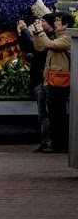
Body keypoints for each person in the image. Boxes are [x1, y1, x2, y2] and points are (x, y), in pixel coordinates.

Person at [32, 13, 73, 153]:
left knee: (59, 115)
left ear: (66, 25)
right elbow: (40, 47)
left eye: (58, 21)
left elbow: (49, 44)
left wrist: (41, 32)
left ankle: (61, 145)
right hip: (51, 81)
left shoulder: (67, 39)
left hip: (61, 82)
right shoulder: (57, 37)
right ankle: (56, 144)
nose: (55, 23)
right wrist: (37, 33)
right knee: (54, 114)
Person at [20, 14, 57, 152]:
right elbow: (30, 48)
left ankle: (47, 142)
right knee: (43, 113)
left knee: (45, 113)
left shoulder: (53, 38)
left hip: (46, 80)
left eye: (43, 21)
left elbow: (41, 49)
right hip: (39, 79)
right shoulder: (42, 36)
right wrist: (24, 32)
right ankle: (46, 141)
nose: (40, 23)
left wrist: (34, 32)